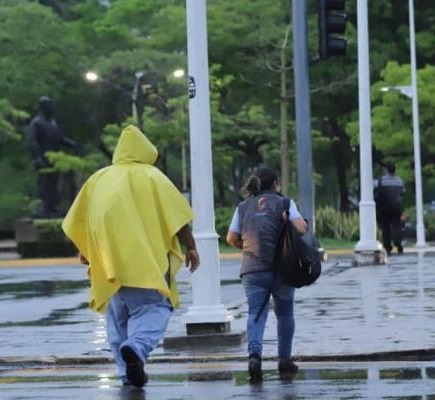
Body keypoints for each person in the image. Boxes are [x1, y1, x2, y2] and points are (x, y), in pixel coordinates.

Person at [62, 125, 199, 388]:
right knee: (154, 307)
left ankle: (127, 373)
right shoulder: (153, 177)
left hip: (107, 262)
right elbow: (178, 219)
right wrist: (191, 247)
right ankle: (136, 348)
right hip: (144, 262)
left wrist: (85, 250)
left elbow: (78, 221)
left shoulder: (98, 179)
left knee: (118, 318)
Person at [225, 167, 307, 382]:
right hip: (283, 269)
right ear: (275, 185)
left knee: (256, 313)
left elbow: (231, 238)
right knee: (285, 313)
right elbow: (301, 229)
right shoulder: (285, 203)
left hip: (253, 270)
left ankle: (254, 356)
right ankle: (285, 361)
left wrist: (248, 248)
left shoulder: (242, 207)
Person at [26, 96, 81, 217]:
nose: (52, 108)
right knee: (44, 185)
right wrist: (38, 158)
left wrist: (73, 144)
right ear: (43, 107)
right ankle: (43, 208)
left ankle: (53, 207)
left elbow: (60, 138)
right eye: (49, 106)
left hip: (56, 159)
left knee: (55, 184)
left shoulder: (52, 122)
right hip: (44, 159)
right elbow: (32, 142)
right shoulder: (36, 123)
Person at [374, 163, 405, 254]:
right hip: (396, 206)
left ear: (386, 170)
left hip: (385, 207)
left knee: (386, 227)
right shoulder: (399, 180)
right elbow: (402, 193)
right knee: (397, 225)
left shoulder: (381, 180)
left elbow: (378, 193)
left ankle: (388, 246)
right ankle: (398, 243)